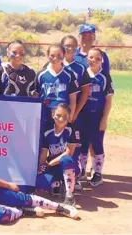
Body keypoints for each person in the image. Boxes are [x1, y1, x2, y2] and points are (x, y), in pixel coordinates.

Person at [79, 48, 114, 187]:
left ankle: (97, 173)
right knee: (82, 143)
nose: (93, 60)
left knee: (97, 143)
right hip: (82, 116)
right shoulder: (82, 74)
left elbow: (108, 101)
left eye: (97, 58)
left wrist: (104, 119)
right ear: (87, 58)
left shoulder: (105, 77)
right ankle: (81, 171)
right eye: (91, 57)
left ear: (102, 61)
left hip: (97, 116)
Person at [60, 35, 91, 190]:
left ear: (77, 47)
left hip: (73, 113)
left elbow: (85, 92)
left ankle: (75, 174)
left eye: (72, 45)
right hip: (55, 114)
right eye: (66, 45)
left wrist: (75, 112)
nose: (69, 48)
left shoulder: (80, 67)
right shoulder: (54, 63)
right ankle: (57, 175)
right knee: (55, 142)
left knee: (74, 143)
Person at [36, 103, 80, 206]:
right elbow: (44, 153)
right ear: (52, 115)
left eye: (65, 116)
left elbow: (69, 153)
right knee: (41, 183)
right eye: (58, 115)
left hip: (68, 166)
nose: (61, 119)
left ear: (69, 117)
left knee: (66, 159)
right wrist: (42, 166)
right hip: (52, 166)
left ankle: (69, 195)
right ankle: (58, 184)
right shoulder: (48, 130)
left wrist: (49, 164)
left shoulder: (71, 129)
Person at [34, 44, 79, 123]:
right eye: (52, 55)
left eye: (59, 55)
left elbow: (73, 99)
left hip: (62, 117)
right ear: (48, 56)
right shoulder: (41, 74)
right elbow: (36, 96)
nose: (55, 58)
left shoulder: (69, 75)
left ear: (64, 55)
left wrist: (70, 116)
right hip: (44, 115)